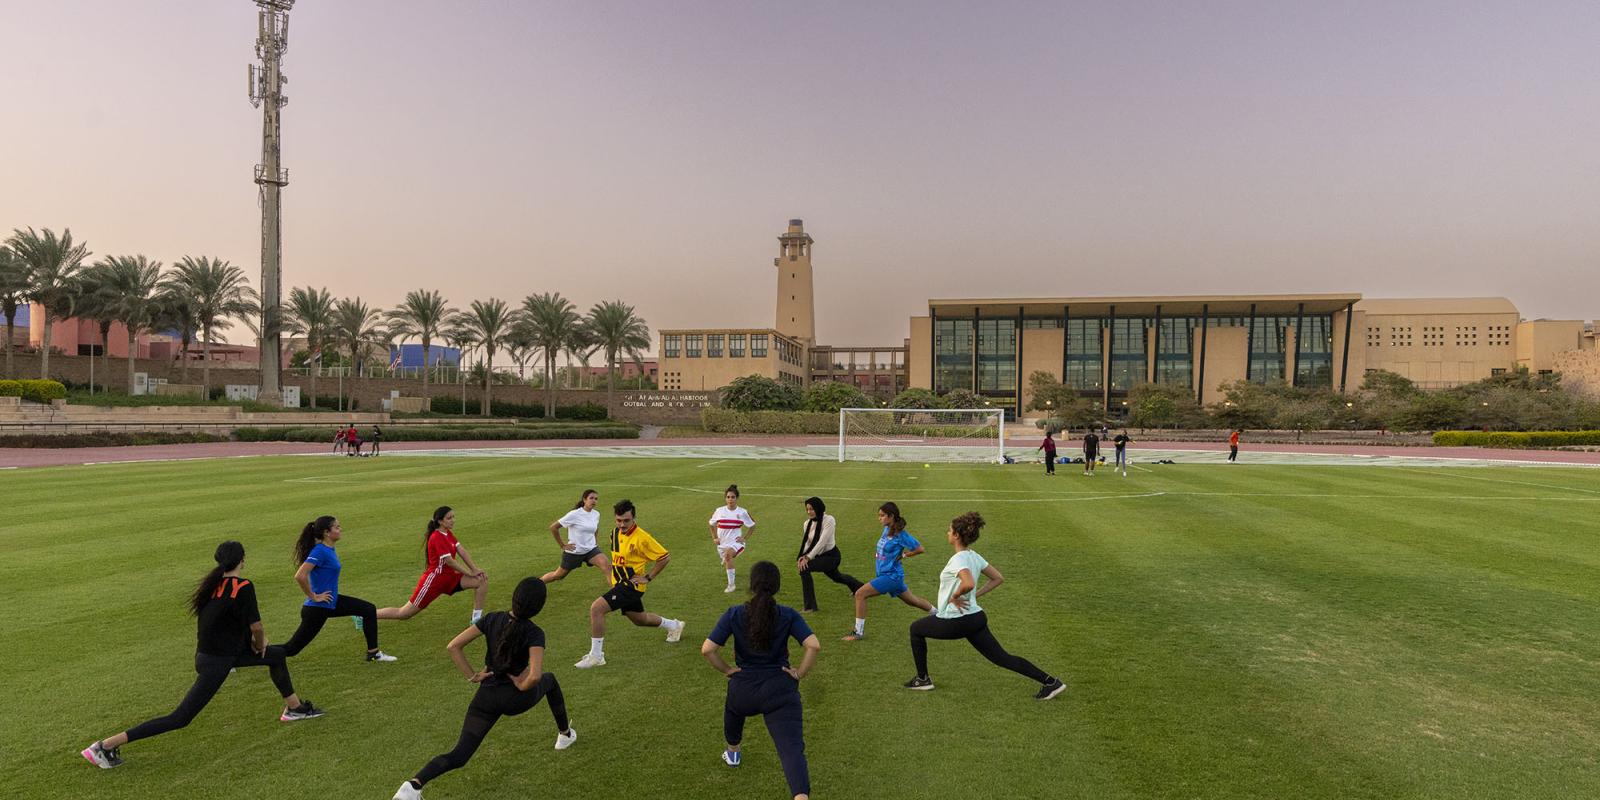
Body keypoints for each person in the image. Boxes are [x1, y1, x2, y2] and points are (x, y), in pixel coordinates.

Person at [80, 541, 324, 769]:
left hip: (216, 654)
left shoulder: (212, 586)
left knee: (276, 655)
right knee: (180, 718)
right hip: (217, 661)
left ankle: (295, 708)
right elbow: (256, 627)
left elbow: (225, 623)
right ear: (242, 560)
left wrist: (255, 645)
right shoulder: (243, 586)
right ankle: (105, 746)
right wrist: (259, 643)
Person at [392, 577, 576, 800]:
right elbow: (536, 676)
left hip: (486, 696)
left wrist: (473, 676)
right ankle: (565, 734)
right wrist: (520, 683)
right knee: (551, 681)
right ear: (539, 607)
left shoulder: (491, 619)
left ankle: (413, 785)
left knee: (460, 753)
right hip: (515, 699)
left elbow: (454, 646)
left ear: (514, 597)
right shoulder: (535, 633)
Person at [903, 512, 1066, 700]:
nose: (947, 533)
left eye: (949, 530)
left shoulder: (958, 559)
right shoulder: (973, 556)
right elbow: (998, 578)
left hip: (957, 621)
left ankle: (923, 679)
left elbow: (968, 583)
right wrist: (974, 596)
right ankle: (1051, 682)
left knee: (916, 629)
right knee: (1003, 658)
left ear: (956, 536)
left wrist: (955, 596)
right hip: (976, 618)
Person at [702, 561, 820, 800]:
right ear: (777, 586)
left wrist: (727, 670)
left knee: (733, 707)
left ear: (751, 585)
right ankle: (800, 797)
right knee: (791, 750)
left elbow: (707, 650)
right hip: (779, 689)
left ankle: (733, 752)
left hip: (743, 689)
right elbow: (813, 645)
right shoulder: (787, 614)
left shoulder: (734, 613)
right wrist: (799, 673)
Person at [573, 499, 686, 668]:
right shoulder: (614, 534)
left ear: (634, 518)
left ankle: (596, 656)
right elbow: (617, 561)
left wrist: (648, 577)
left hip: (632, 586)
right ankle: (674, 625)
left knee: (596, 609)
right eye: (619, 520)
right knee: (639, 619)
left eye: (626, 520)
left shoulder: (642, 538)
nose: (622, 524)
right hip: (620, 584)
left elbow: (664, 557)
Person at [281, 516, 396, 662]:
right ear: (327, 533)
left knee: (368, 609)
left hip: (332, 602)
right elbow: (300, 576)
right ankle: (250, 655)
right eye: (337, 527)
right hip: (318, 608)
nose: (340, 529)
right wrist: (314, 596)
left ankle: (373, 653)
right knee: (291, 649)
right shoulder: (320, 551)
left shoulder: (328, 549)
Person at [377, 506, 489, 624]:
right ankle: (365, 614)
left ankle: (476, 620)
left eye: (453, 517)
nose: (453, 520)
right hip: (434, 581)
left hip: (449, 578)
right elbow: (449, 561)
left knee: (481, 581)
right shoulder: (436, 537)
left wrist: (474, 569)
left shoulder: (447, 534)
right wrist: (469, 573)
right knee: (404, 613)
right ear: (440, 521)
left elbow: (462, 551)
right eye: (449, 518)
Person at [842, 502, 932, 641]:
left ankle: (858, 632)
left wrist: (904, 555)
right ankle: (940, 614)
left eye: (882, 515)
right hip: (889, 576)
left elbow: (920, 548)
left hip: (891, 576)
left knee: (860, 594)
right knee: (913, 601)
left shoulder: (901, 535)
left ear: (891, 516)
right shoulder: (886, 529)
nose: (879, 518)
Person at [795, 496, 862, 613]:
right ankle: (859, 587)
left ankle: (810, 606)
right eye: (807, 509)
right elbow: (807, 542)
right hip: (820, 557)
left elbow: (822, 542)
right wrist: (802, 556)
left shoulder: (829, 520)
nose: (809, 512)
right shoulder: (807, 524)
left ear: (818, 508)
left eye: (811, 509)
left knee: (804, 569)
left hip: (832, 557)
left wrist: (807, 557)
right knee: (837, 577)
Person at [540, 489, 613, 585]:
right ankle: (537, 584)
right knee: (558, 575)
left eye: (596, 499)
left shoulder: (596, 514)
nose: (594, 501)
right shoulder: (574, 514)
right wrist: (562, 545)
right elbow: (553, 527)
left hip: (591, 550)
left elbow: (595, 528)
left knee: (608, 567)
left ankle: (616, 595)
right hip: (575, 552)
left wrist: (594, 542)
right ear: (584, 499)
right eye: (591, 498)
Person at [710, 484, 757, 593]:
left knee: (728, 555)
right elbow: (710, 524)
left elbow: (752, 525)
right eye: (728, 497)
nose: (730, 499)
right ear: (725, 498)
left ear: (737, 498)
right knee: (726, 556)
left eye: (733, 497)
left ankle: (731, 585)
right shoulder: (719, 511)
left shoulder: (742, 512)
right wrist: (714, 538)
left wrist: (745, 538)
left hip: (736, 543)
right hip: (722, 544)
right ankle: (726, 559)